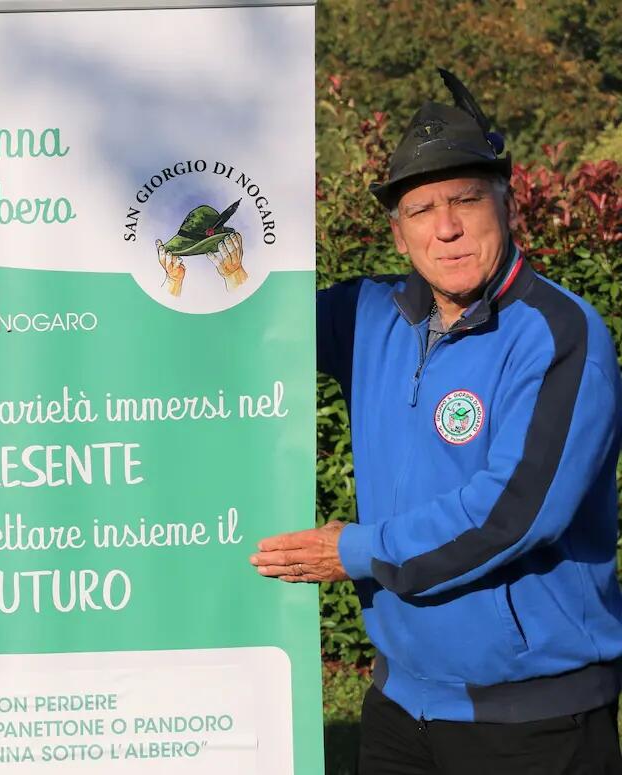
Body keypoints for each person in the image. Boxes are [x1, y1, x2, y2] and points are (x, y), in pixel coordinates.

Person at [250, 69, 622, 772]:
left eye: (464, 200)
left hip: (533, 716)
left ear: (506, 205)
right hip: (399, 706)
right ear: (397, 233)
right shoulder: (366, 315)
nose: (445, 227)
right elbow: (244, 323)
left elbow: (512, 512)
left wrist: (355, 550)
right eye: (420, 210)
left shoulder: (559, 333)